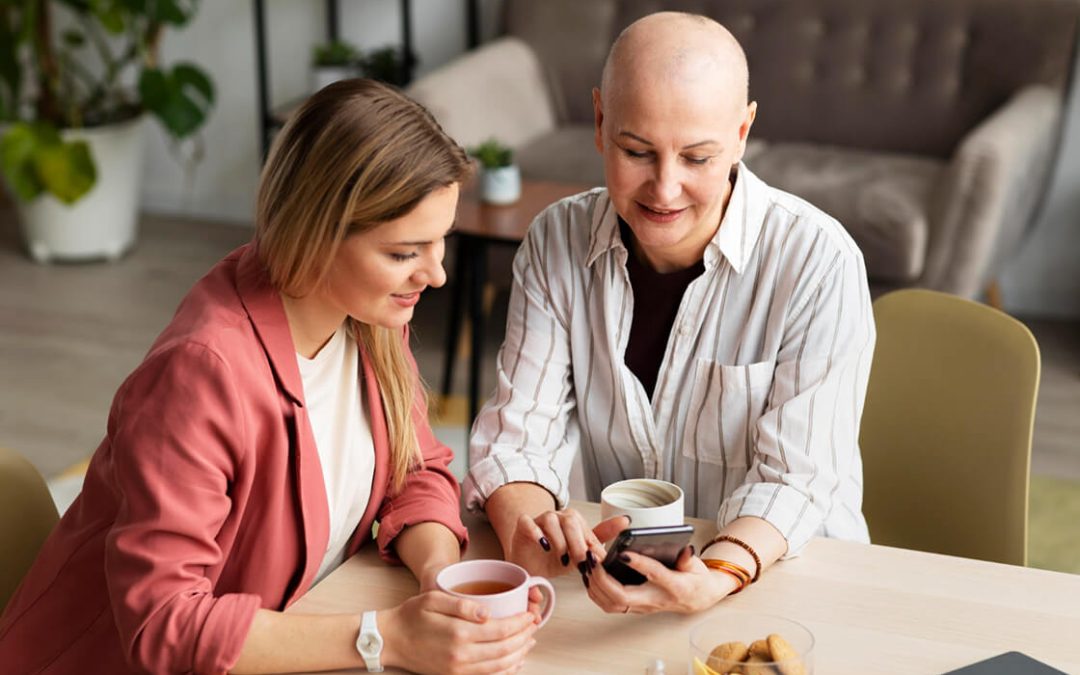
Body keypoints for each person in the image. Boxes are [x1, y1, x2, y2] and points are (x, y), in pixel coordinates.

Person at [0, 79, 538, 674]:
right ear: (316, 234)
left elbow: (417, 468)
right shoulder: (202, 375)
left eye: (442, 242)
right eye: (405, 252)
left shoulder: (368, 316)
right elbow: (163, 623)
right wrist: (386, 637)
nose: (435, 276)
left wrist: (437, 575)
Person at [464, 12, 876, 615]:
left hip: (782, 578)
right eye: (637, 151)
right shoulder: (557, 240)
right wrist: (530, 527)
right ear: (601, 122)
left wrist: (718, 572)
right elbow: (518, 436)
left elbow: (797, 480)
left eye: (698, 158)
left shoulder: (818, 261)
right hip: (619, 587)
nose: (664, 188)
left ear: (742, 132)